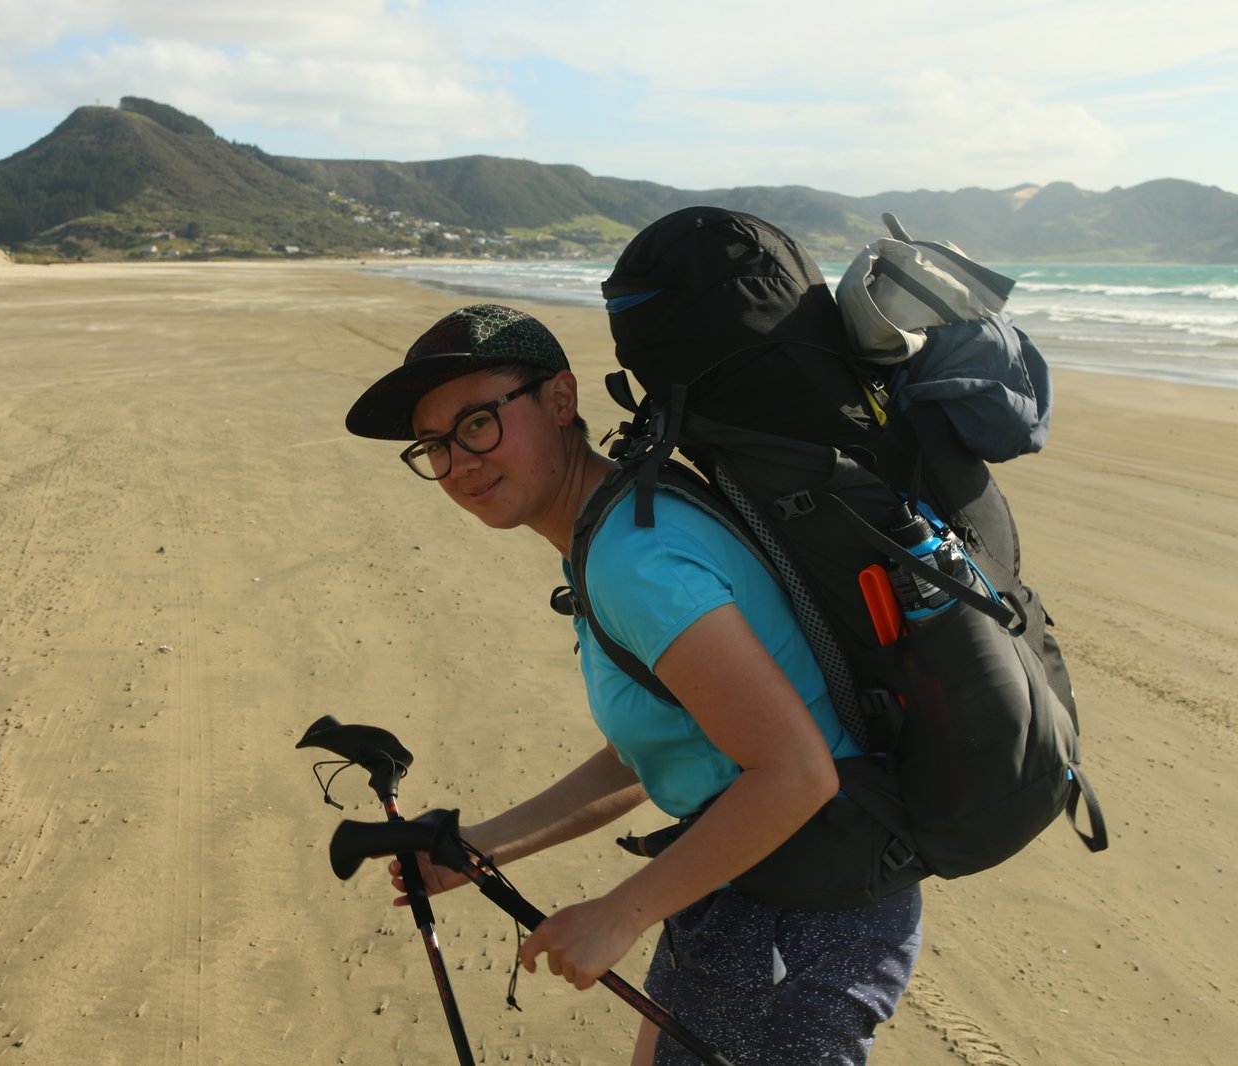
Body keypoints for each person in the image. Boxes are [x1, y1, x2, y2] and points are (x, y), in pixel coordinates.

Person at [344, 303, 921, 1065]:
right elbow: (663, 748)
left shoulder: (635, 560)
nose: (460, 464)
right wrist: (478, 847)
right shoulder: (620, 520)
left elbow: (796, 773)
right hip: (743, 884)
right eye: (434, 445)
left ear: (560, 399)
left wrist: (621, 913)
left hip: (803, 915)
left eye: (477, 423)